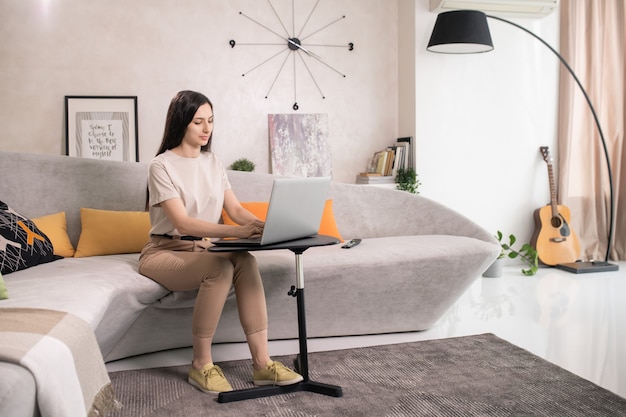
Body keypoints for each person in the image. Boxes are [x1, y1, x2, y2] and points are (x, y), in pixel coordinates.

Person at [138, 90, 303, 394]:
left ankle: (262, 364)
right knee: (219, 268)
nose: (206, 128)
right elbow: (182, 223)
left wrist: (265, 225)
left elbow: (236, 210)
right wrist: (236, 233)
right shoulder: (160, 166)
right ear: (181, 123)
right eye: (198, 121)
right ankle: (201, 364)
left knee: (245, 261)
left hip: (204, 248)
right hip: (163, 252)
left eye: (210, 121)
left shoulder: (213, 162)